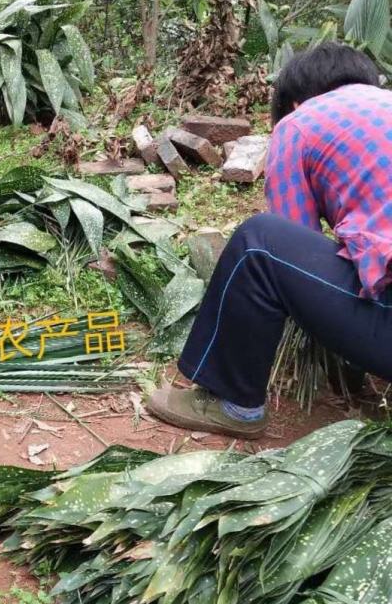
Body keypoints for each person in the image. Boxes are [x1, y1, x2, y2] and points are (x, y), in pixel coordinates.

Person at [146, 42, 392, 439]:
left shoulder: (300, 123)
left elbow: (294, 237)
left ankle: (233, 402)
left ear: (294, 101)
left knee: (258, 244)